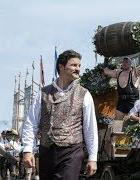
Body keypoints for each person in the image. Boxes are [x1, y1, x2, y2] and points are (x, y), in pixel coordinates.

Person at [22, 49, 98, 180]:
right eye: (74, 65)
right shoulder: (43, 93)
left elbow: (90, 128)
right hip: (46, 151)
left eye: (79, 65)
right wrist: (28, 150)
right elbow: (31, 122)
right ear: (61, 67)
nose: (78, 68)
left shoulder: (84, 94)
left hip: (71, 152)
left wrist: (92, 158)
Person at [103, 54, 140, 120]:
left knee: (135, 121)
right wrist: (106, 57)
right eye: (123, 62)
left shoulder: (134, 72)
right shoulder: (118, 73)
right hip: (122, 102)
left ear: (130, 64)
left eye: (126, 62)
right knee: (116, 123)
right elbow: (106, 71)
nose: (124, 63)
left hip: (133, 101)